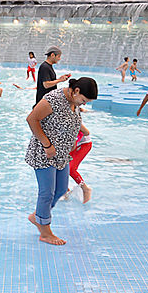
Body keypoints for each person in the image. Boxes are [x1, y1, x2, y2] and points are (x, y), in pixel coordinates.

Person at [26, 77, 98, 246]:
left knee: (60, 190)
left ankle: (38, 216)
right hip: (45, 153)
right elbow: (31, 119)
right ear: (76, 91)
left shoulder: (74, 102)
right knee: (47, 193)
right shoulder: (53, 99)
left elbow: (72, 122)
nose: (84, 104)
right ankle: (45, 232)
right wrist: (47, 144)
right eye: (84, 100)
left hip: (63, 154)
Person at [63, 124, 93, 203]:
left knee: (71, 169)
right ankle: (65, 190)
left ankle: (85, 189)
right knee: (60, 166)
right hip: (70, 145)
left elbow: (86, 132)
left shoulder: (72, 117)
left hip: (84, 144)